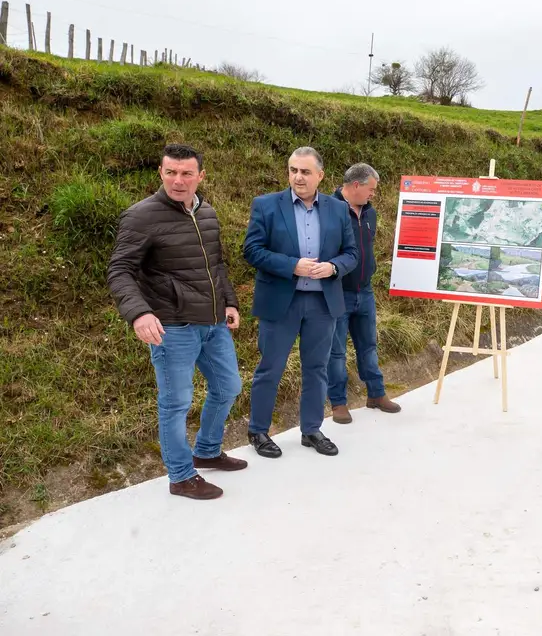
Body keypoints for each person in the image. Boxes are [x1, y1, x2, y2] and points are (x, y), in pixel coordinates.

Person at [106, 143, 246, 500]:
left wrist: (228, 300)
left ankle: (208, 450)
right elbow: (120, 269)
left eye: (186, 173)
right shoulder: (141, 216)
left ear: (201, 176)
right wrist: (139, 312)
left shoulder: (207, 213)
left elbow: (216, 264)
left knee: (228, 387)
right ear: (161, 172)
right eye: (171, 172)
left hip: (213, 324)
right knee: (176, 403)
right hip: (173, 327)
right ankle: (181, 475)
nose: (178, 181)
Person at [243, 146, 358, 458]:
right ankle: (258, 430)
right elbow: (251, 250)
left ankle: (311, 429)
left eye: (305, 171)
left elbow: (351, 253)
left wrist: (334, 267)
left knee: (317, 368)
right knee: (270, 367)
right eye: (293, 170)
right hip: (281, 302)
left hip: (323, 303)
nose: (297, 177)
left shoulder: (337, 209)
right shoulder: (266, 206)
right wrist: (291, 265)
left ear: (320, 175)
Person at [326, 162, 398, 422]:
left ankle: (376, 394)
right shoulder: (329, 210)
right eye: (371, 189)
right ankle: (338, 403)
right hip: (338, 292)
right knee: (336, 351)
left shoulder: (371, 214)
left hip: (364, 291)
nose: (373, 194)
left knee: (368, 345)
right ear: (356, 185)